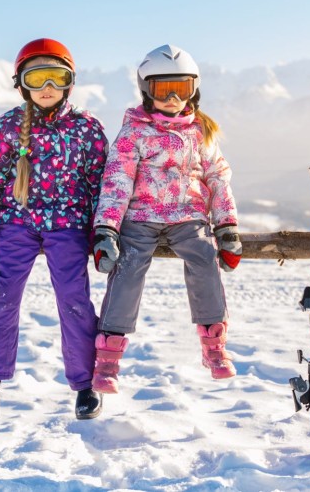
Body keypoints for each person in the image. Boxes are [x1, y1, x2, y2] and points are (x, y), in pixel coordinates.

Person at [0, 38, 107, 421]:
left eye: (56, 77)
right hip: (18, 222)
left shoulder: (87, 129)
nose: (47, 87)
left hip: (69, 226)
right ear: (21, 83)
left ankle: (85, 384)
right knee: (3, 294)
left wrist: (101, 232)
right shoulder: (10, 126)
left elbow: (100, 185)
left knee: (74, 301)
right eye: (37, 77)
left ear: (70, 82)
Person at [89, 44, 243, 395]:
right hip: (140, 215)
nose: (173, 98)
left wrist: (226, 226)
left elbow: (217, 177)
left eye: (182, 88)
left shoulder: (199, 132)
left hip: (188, 216)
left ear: (195, 89)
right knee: (127, 267)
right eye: (162, 89)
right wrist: (106, 230)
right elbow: (117, 180)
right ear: (146, 91)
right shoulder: (134, 132)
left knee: (205, 257)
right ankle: (109, 357)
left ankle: (214, 346)